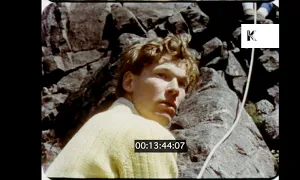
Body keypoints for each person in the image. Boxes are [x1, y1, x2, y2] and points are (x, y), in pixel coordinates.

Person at [44, 33, 200, 178]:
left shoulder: (99, 122)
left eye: (181, 83)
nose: (175, 89)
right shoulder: (149, 134)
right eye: (162, 75)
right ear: (129, 82)